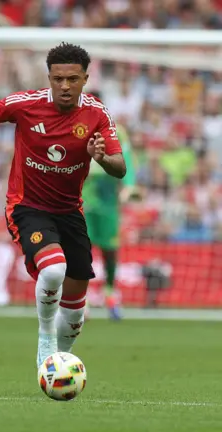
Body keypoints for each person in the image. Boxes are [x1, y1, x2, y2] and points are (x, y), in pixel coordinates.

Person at [0, 43, 127, 367]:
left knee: (75, 316)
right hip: (27, 206)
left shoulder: (97, 114)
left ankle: (60, 364)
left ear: (85, 79)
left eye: (72, 79)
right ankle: (45, 338)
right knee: (54, 268)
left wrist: (101, 157)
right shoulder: (26, 104)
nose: (64, 86)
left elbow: (120, 167)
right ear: (49, 77)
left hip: (70, 212)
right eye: (58, 78)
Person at [82, 92, 137, 321]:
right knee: (81, 248)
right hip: (82, 193)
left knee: (109, 248)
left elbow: (126, 159)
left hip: (107, 195)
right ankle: (80, 299)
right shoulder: (71, 126)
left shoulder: (116, 130)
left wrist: (129, 185)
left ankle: (110, 293)